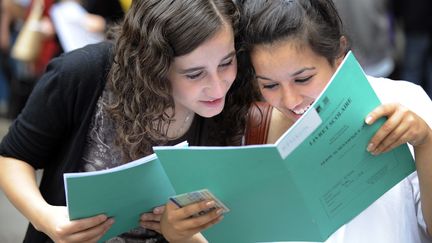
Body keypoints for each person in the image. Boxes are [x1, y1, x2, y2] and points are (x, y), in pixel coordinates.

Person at [0, 0, 258, 242]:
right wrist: (44, 217)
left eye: (226, 62)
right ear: (154, 66)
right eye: (194, 74)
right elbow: (11, 157)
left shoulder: (236, 95)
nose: (217, 87)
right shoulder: (82, 73)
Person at [236, 0, 432, 242]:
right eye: (270, 85)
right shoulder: (254, 133)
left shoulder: (404, 102)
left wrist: (425, 143)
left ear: (339, 53)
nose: (290, 100)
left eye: (303, 78)